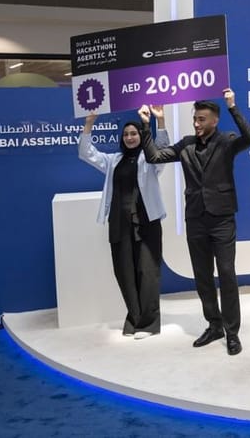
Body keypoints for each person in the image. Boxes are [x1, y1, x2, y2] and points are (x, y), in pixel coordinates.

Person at [141, 89, 250, 355]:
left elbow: (249, 138)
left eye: (201, 119)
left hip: (222, 218)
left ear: (215, 120)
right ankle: (214, 325)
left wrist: (232, 106)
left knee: (226, 273)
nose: (196, 123)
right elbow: (154, 156)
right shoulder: (186, 144)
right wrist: (149, 124)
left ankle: (232, 332)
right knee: (202, 275)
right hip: (195, 219)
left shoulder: (226, 141)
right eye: (195, 118)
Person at [78, 107, 168, 338]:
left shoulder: (149, 158)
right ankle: (134, 318)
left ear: (140, 135)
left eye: (133, 133)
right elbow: (86, 153)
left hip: (146, 222)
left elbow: (162, 150)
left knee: (148, 272)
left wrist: (160, 121)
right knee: (124, 271)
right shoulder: (113, 160)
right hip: (119, 223)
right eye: (126, 134)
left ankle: (148, 324)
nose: (129, 137)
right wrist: (89, 124)